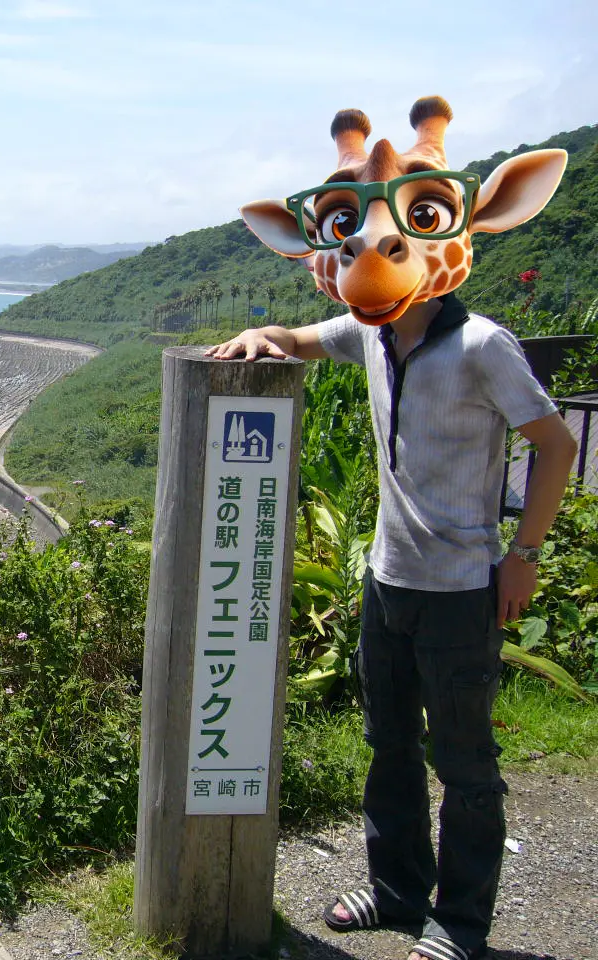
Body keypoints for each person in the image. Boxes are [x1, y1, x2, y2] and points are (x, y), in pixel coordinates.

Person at [208, 97, 578, 960]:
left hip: (460, 589)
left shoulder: (483, 344)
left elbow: (555, 446)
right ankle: (396, 890)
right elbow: (298, 336)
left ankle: (461, 922)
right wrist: (259, 334)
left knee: (466, 764)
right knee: (386, 748)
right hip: (387, 581)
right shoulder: (369, 334)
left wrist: (524, 556)